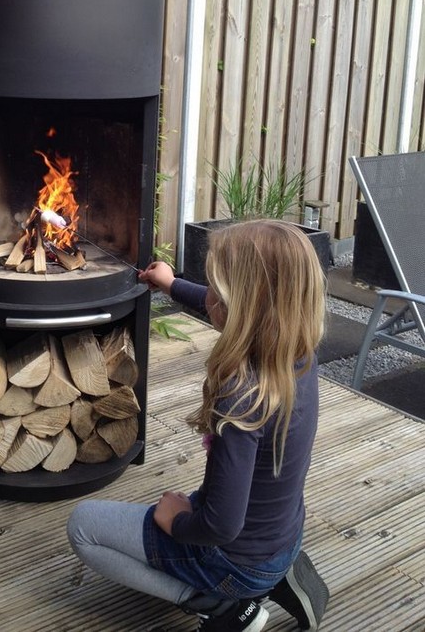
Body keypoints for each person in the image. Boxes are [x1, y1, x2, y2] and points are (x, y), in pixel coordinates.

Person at [67, 219, 330, 631]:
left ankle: (220, 604)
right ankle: (277, 574)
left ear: (236, 306)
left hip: (233, 556)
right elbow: (226, 306)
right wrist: (172, 285)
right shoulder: (297, 353)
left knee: (83, 526)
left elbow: (223, 525)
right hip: (283, 534)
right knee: (203, 502)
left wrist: (178, 523)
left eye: (215, 290)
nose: (210, 297)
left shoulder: (243, 396)